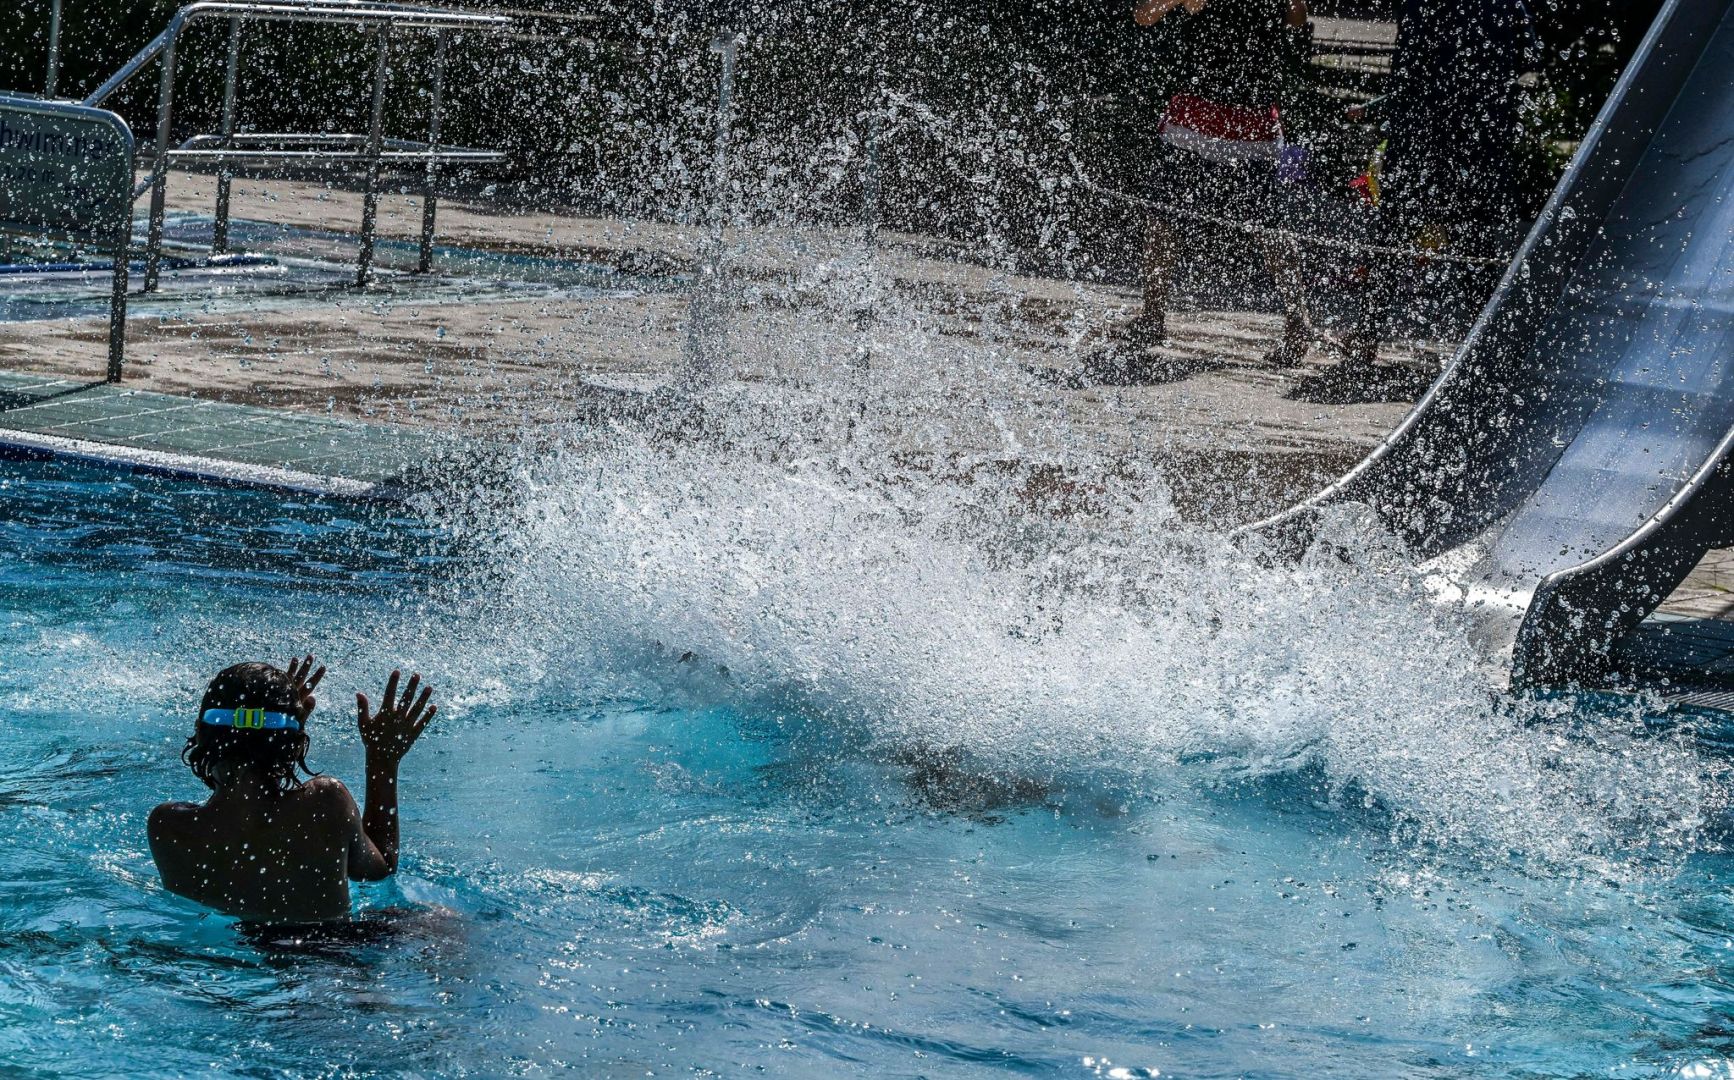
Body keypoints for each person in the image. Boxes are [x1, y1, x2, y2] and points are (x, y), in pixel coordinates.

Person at [148, 656, 439, 924]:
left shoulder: (168, 827)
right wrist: (382, 759)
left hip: (230, 957)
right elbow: (381, 869)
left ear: (201, 733)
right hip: (330, 957)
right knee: (441, 918)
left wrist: (282, 734)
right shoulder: (325, 802)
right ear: (293, 742)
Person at [1113, 0, 1317, 380]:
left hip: (1212, 121)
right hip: (1237, 122)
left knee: (1165, 221)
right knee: (1265, 228)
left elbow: (1143, 15)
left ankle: (1153, 318)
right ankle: (1297, 323)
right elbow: (1297, 20)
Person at [1340, 0, 1539, 370]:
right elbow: (1529, 57)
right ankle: (1490, 344)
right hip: (1475, 140)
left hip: (1422, 138)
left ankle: (1367, 336)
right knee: (1472, 243)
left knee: (1393, 238)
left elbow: (1409, 69)